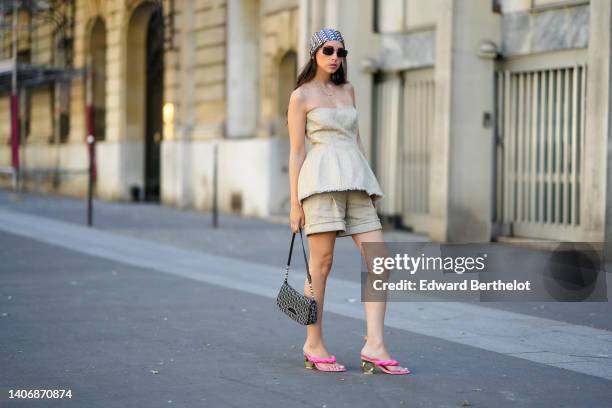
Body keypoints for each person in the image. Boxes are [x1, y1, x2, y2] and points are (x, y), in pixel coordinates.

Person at [286, 28, 411, 375]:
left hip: (355, 181)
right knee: (320, 266)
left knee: (380, 260)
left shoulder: (348, 90)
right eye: (328, 50)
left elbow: (356, 141)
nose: (335, 57)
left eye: (341, 52)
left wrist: (370, 185)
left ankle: (375, 345)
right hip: (320, 183)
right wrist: (295, 205)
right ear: (315, 53)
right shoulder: (301, 96)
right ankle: (313, 343)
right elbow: (296, 152)